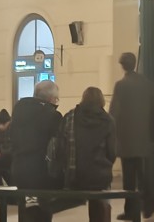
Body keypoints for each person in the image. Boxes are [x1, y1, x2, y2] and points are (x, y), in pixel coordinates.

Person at [110, 53, 154, 220]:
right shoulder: (147, 84)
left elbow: (114, 112)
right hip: (145, 140)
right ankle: (148, 208)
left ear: (122, 66)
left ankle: (131, 210)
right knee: (145, 177)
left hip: (127, 141)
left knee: (129, 180)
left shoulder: (121, 85)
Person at [56, 87, 117, 222]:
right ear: (101, 101)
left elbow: (61, 147)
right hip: (100, 178)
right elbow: (112, 152)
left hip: (75, 176)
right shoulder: (108, 120)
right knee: (102, 202)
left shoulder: (70, 117)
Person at [10, 81, 63, 222]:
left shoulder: (18, 110)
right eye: (56, 99)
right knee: (42, 212)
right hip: (41, 171)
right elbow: (58, 145)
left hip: (20, 169)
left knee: (26, 210)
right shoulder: (52, 115)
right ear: (51, 98)